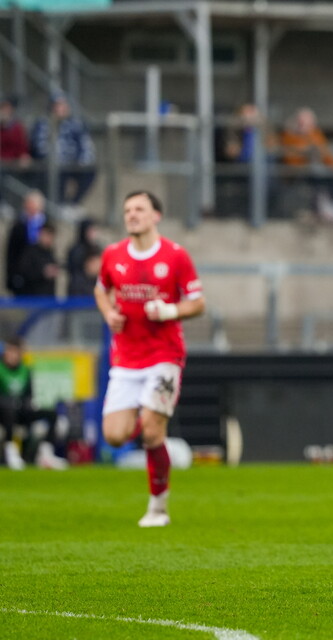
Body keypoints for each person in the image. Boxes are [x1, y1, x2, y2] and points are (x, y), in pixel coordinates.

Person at [94, 190, 205, 527]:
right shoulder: (113, 254)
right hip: (126, 358)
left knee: (152, 432)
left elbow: (197, 302)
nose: (132, 215)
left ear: (156, 216)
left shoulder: (175, 255)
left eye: (139, 209)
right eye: (128, 210)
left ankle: (158, 507)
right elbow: (100, 289)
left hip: (164, 356)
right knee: (114, 435)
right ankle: (154, 434)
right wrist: (108, 313)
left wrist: (170, 310)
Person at [0, 336, 67, 470]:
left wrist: (27, 404)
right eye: (10, 351)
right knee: (8, 408)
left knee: (51, 414)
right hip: (3, 413)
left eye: (16, 352)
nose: (13, 355)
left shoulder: (25, 371)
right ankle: (10, 451)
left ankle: (45, 454)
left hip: (21, 411)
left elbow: (29, 395)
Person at [30, 93, 97, 206]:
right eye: (57, 105)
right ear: (51, 107)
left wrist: (83, 162)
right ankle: (58, 204)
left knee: (89, 171)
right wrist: (59, 160)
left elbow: (86, 146)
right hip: (49, 165)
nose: (61, 109)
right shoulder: (43, 124)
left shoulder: (75, 124)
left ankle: (72, 204)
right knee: (57, 172)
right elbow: (40, 148)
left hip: (73, 164)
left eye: (63, 105)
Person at [5, 190, 48, 296]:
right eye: (28, 204)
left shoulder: (47, 226)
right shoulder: (18, 226)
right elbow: (11, 253)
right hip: (21, 277)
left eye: (32, 204)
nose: (29, 207)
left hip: (41, 280)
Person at [15, 221, 59, 297]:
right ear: (40, 234)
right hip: (32, 296)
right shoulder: (30, 251)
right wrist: (43, 273)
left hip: (48, 296)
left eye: (51, 236)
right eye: (46, 235)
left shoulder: (50, 252)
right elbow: (24, 272)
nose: (48, 239)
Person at [67, 218, 102, 296]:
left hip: (93, 289)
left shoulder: (96, 248)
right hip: (78, 291)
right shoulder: (76, 250)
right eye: (91, 230)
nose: (93, 233)